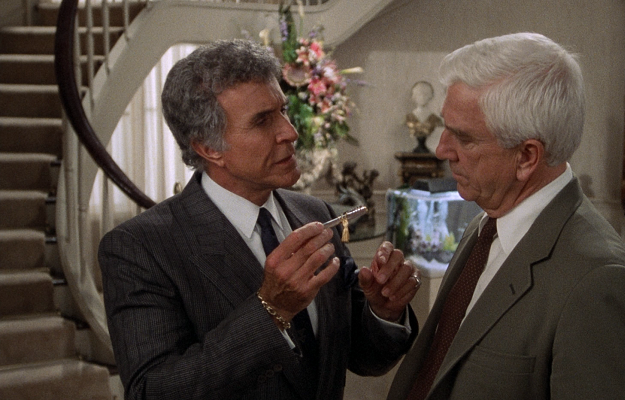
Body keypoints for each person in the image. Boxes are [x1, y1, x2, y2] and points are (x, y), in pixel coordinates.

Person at [98, 39, 420, 400]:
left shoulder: (315, 214)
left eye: (282, 111)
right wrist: (272, 311)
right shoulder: (140, 248)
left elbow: (361, 357)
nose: (290, 132)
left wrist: (384, 311)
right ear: (209, 148)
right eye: (263, 121)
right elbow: (152, 391)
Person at [387, 32, 625, 400]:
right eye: (445, 128)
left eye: (464, 138)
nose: (442, 150)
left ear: (527, 157)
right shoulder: (487, 224)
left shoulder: (599, 281)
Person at [405, 81, 443, 153]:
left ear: (430, 96)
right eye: (419, 94)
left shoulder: (435, 119)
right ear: (414, 96)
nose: (422, 97)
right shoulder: (408, 118)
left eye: (425, 94)